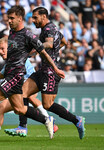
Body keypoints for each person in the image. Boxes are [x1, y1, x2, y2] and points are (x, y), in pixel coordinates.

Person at [0, 6, 65, 143]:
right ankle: (46, 120)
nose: (9, 21)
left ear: (20, 18)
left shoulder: (29, 35)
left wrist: (55, 68)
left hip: (15, 76)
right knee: (20, 109)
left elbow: (43, 51)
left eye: (12, 18)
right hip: (11, 75)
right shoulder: (12, 32)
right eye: (8, 18)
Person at [0, 37, 58, 141]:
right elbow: (1, 74)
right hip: (21, 88)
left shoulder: (18, 57)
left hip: (28, 86)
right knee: (0, 108)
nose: (0, 52)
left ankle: (44, 121)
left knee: (25, 101)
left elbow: (28, 76)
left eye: (2, 49)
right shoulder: (12, 60)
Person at [23, 7, 85, 139]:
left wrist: (36, 48)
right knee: (23, 93)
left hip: (51, 72)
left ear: (44, 16)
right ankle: (22, 127)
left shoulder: (48, 29)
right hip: (43, 70)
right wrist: (54, 51)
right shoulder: (53, 28)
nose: (33, 20)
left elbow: (50, 43)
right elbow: (63, 42)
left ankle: (76, 120)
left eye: (35, 17)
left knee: (47, 105)